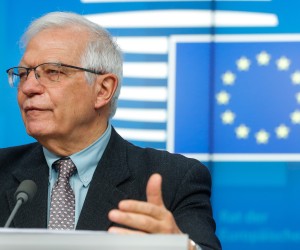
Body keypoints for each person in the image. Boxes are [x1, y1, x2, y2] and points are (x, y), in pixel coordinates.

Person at [0, 11, 221, 250]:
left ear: (103, 90)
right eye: (23, 74)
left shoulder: (174, 179)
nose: (29, 87)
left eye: (53, 72)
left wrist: (181, 247)